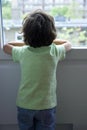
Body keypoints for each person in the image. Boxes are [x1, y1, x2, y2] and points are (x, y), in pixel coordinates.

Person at [3, 9, 72, 130]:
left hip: (25, 104)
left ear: (26, 34)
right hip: (46, 105)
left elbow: (6, 46)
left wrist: (26, 42)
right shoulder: (54, 51)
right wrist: (50, 41)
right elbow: (68, 44)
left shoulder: (23, 52)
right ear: (51, 32)